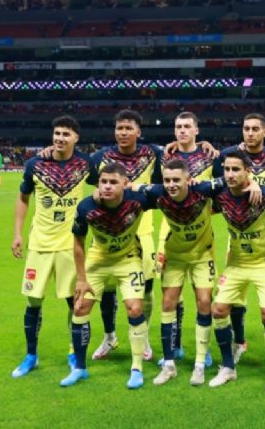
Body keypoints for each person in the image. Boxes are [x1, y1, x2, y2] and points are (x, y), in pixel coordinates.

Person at [10, 116, 98, 379]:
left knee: (75, 302)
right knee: (33, 301)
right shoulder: (35, 164)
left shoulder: (85, 164)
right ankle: (31, 355)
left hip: (70, 245)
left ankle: (73, 353)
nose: (60, 138)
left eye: (66, 134)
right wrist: (17, 234)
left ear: (76, 138)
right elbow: (23, 198)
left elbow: (107, 185)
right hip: (40, 244)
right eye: (57, 133)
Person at [61, 163, 155, 389]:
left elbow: (169, 194)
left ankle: (136, 368)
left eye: (113, 182)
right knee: (79, 308)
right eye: (103, 182)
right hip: (98, 260)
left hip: (129, 259)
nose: (107, 186)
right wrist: (81, 279)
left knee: (135, 308)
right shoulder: (86, 207)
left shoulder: (138, 200)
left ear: (125, 184)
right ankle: (79, 368)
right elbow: (78, 243)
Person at [88, 110, 165, 362]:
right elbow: (81, 171)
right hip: (107, 233)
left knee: (147, 287)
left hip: (142, 231)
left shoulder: (153, 154)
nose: (123, 132)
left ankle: (143, 337)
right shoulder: (100, 157)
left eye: (128, 128)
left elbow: (179, 162)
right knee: (107, 289)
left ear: (138, 132)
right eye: (119, 128)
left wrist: (204, 144)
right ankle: (109, 336)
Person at [206, 151, 265, 394]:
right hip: (237, 263)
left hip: (264, 263)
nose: (230, 174)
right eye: (227, 169)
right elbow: (193, 189)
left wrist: (258, 185)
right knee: (218, 310)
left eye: (236, 169)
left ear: (248, 171)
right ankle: (228, 367)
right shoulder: (220, 195)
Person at [139, 159, 219, 386]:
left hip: (202, 255)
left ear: (188, 180)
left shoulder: (204, 190)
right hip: (174, 256)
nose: (171, 185)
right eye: (167, 180)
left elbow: (234, 182)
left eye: (176, 180)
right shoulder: (158, 194)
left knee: (204, 302)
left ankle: (200, 364)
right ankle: (169, 365)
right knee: (167, 304)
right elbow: (130, 192)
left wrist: (252, 185)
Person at [158, 112, 222, 364]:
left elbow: (221, 194)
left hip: (201, 233)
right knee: (172, 296)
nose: (182, 131)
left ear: (197, 130)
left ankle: (204, 350)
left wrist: (206, 209)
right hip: (170, 231)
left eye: (187, 126)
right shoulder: (165, 156)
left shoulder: (210, 156)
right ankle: (174, 347)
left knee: (203, 296)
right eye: (178, 127)